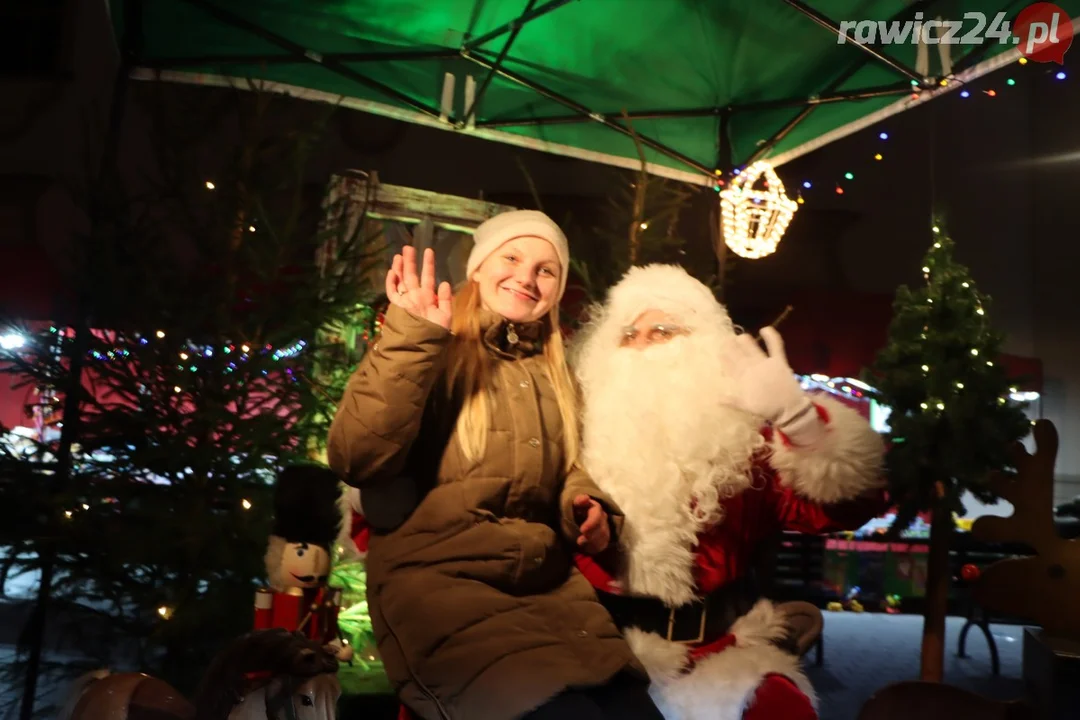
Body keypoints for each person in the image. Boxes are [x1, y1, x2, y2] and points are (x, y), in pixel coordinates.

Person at [327, 210, 662, 720]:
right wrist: (412, 338)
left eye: (545, 269)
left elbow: (567, 466)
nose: (526, 277)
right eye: (512, 257)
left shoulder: (554, 373)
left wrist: (586, 506)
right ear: (479, 268)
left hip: (548, 591)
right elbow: (357, 457)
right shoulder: (431, 345)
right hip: (444, 591)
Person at [571, 264, 889, 720]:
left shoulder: (743, 443)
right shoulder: (574, 434)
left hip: (715, 657)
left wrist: (797, 418)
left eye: (662, 330)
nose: (641, 345)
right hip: (594, 653)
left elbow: (851, 506)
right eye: (628, 333)